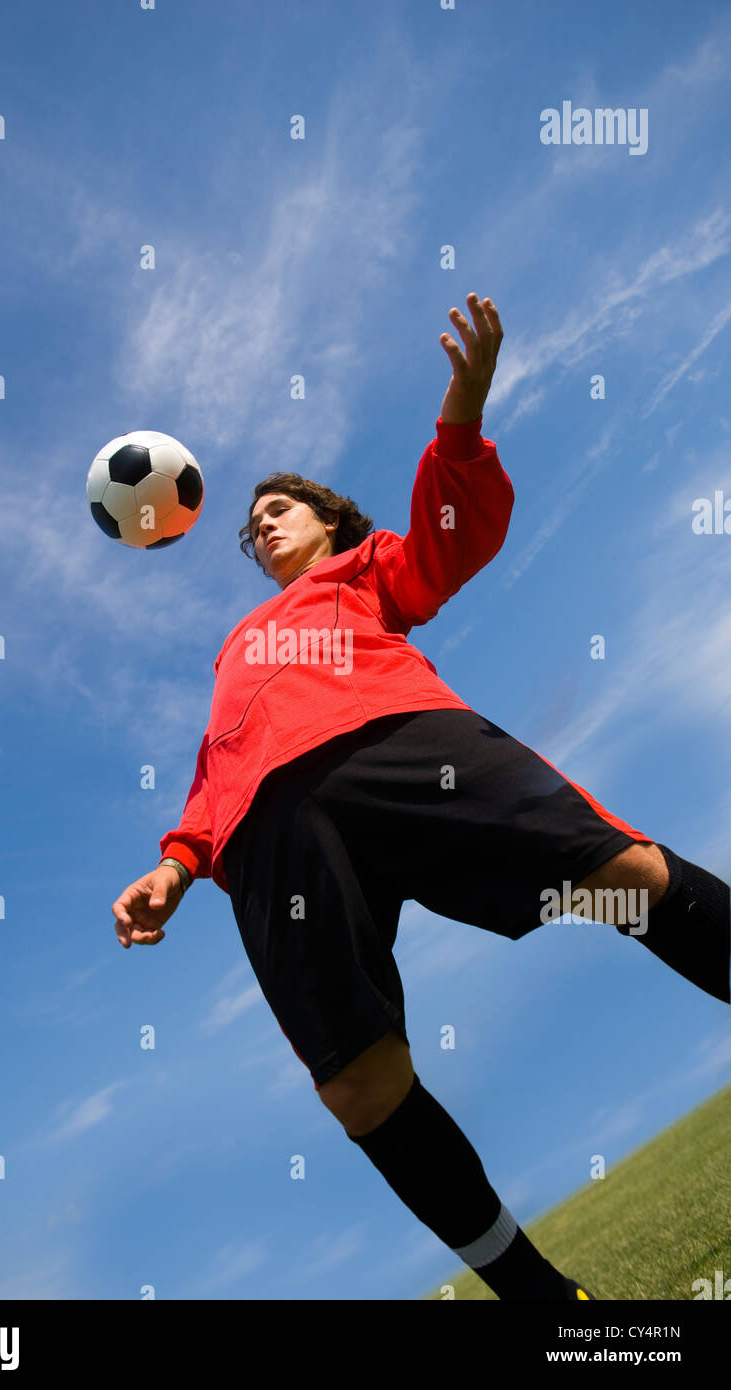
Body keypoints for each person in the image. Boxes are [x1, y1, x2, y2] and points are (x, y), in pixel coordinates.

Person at [112, 294, 731, 1301]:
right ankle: (548, 1306)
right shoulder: (235, 645)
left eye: (281, 507)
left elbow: (451, 542)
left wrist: (459, 423)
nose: (261, 522)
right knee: (356, 1082)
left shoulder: (362, 572)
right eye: (251, 520)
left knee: (621, 872)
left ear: (330, 522)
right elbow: (213, 767)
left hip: (396, 747)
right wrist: (176, 864)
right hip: (269, 835)